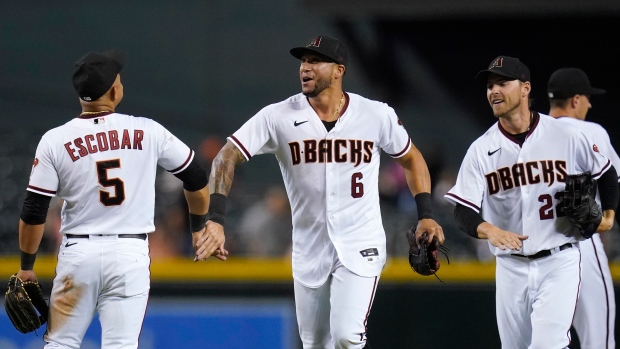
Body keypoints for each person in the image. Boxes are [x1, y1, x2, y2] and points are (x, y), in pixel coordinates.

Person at [206, 35, 444, 349]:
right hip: (309, 246)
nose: (305, 67)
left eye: (315, 61)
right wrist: (216, 217)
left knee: (347, 336)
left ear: (339, 70)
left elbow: (412, 159)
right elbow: (227, 155)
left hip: (361, 241)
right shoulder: (278, 116)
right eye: (303, 61)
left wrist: (426, 214)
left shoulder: (375, 114)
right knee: (315, 343)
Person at [14, 49, 227, 348]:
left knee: (60, 343)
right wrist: (198, 228)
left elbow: (34, 210)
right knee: (121, 345)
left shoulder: (54, 140)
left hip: (78, 252)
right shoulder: (147, 130)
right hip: (130, 252)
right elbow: (196, 177)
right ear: (114, 90)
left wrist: (26, 265)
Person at [444, 56, 618, 348]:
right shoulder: (481, 150)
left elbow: (607, 174)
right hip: (511, 268)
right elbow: (463, 211)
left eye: (502, 83)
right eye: (489, 86)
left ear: (525, 88)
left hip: (559, 259)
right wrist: (489, 230)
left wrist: (609, 217)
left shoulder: (565, 135)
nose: (493, 91)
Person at [547, 67, 618, 349]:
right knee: (598, 341)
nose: (590, 104)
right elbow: (615, 180)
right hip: (581, 243)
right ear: (576, 100)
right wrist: (609, 216)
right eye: (587, 98)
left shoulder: (529, 134)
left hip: (536, 250)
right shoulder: (591, 131)